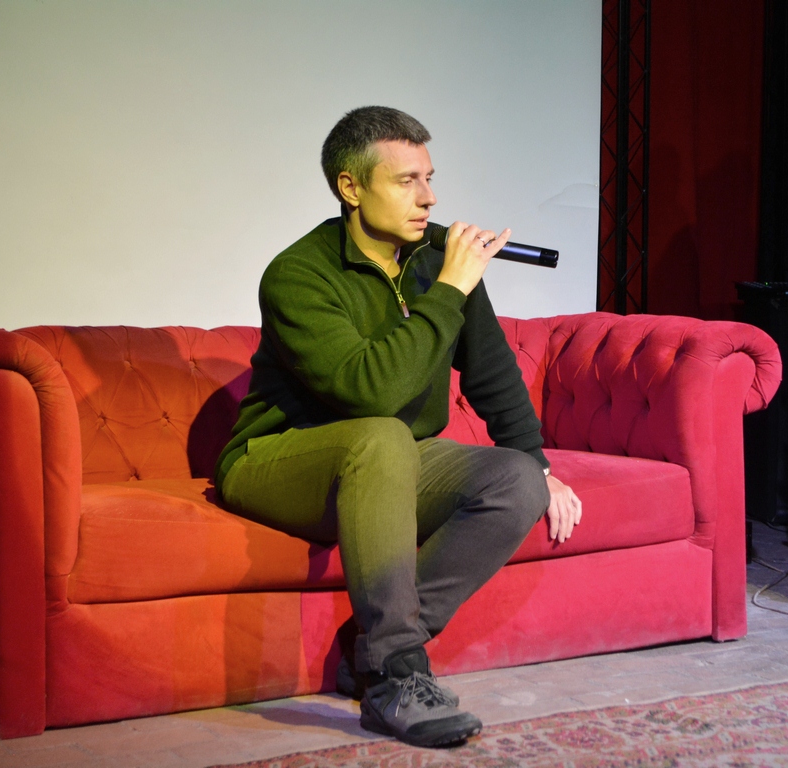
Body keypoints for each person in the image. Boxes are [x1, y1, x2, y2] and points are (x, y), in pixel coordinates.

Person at [214, 106, 583, 748]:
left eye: (430, 178)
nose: (429, 198)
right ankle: (396, 677)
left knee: (516, 480)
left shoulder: (435, 262)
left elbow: (492, 371)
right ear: (351, 187)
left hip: (388, 461)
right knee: (382, 432)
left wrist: (539, 465)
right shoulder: (298, 275)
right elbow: (371, 393)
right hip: (277, 461)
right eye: (407, 180)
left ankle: (372, 648)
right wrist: (450, 291)